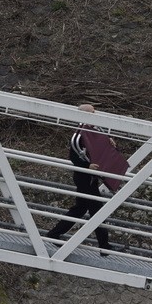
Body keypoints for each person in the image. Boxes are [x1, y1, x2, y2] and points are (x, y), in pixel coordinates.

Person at [46, 104, 112, 253]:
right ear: (84, 115)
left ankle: (54, 233)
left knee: (80, 209)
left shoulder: (92, 131)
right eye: (92, 112)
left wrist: (109, 141)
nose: (95, 113)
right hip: (84, 177)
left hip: (90, 177)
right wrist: (87, 166)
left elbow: (100, 146)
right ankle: (104, 246)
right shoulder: (79, 134)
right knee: (96, 209)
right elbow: (74, 156)